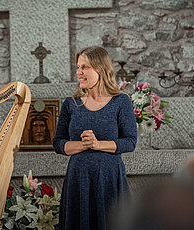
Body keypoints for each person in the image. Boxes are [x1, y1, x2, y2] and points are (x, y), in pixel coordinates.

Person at [53, 46, 137, 230]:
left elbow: (130, 141)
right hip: (78, 178)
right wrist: (84, 145)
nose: (79, 72)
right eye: (78, 67)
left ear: (100, 69)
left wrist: (97, 144)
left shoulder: (120, 101)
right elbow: (58, 143)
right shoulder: (70, 104)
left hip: (109, 178)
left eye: (85, 67)